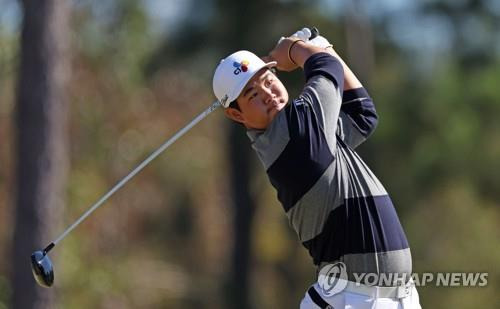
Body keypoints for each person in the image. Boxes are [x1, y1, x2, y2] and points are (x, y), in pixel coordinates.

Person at [212, 28, 422, 308]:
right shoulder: (296, 134)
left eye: (268, 79)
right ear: (236, 114)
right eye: (252, 94)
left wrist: (323, 47)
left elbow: (362, 115)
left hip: (391, 299)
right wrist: (293, 50)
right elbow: (326, 67)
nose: (268, 94)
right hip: (350, 300)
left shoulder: (309, 131)